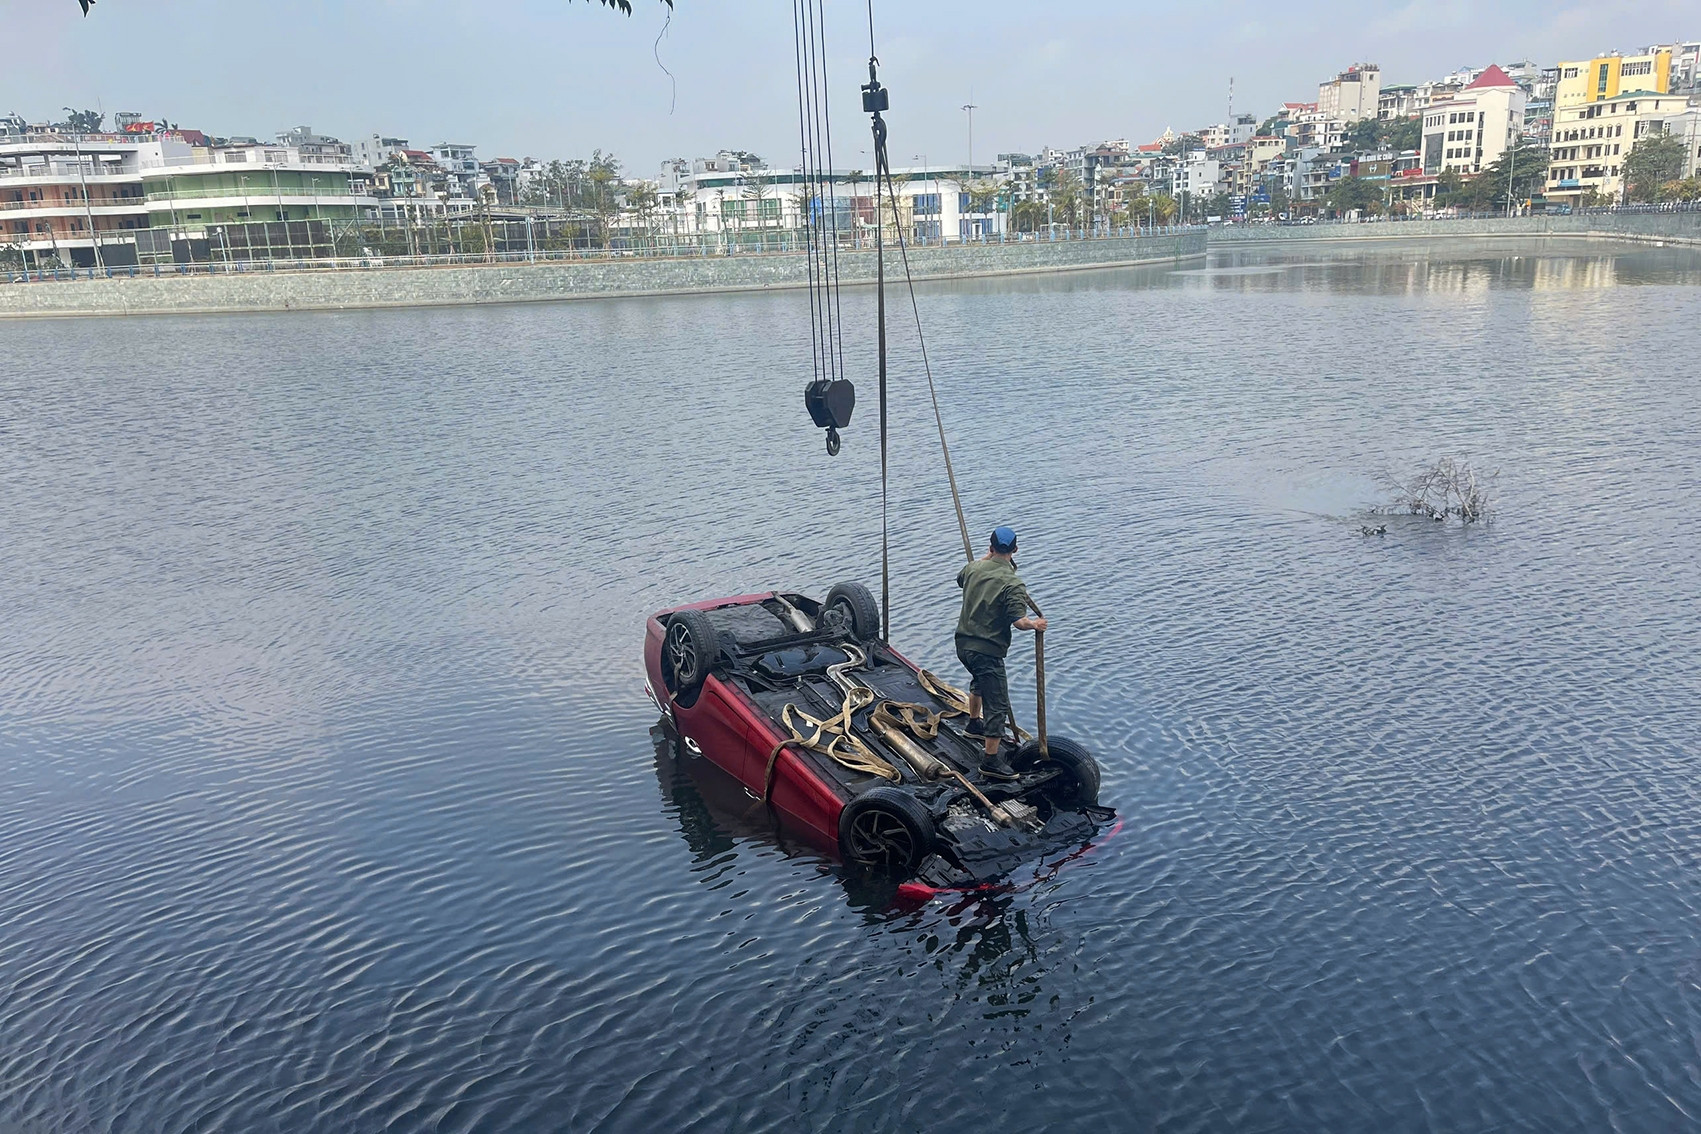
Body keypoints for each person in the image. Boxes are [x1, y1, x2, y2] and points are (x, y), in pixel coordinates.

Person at [955, 525, 1046, 779]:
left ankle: (974, 724)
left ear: (990, 547)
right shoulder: (1013, 582)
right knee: (998, 703)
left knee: (980, 679)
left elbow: (960, 578)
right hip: (986, 650)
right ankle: (991, 761)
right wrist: (1036, 624)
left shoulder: (974, 568)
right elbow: (1019, 621)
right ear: (1015, 550)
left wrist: (986, 558)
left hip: (963, 646)